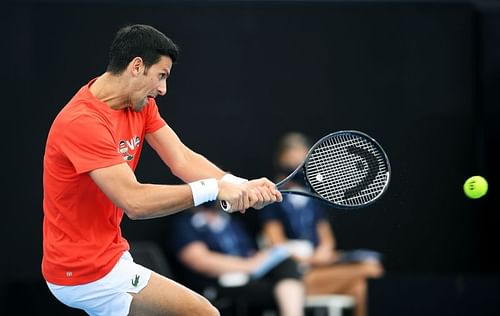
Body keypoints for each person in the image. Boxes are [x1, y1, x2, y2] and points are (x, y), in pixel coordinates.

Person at [42, 24, 282, 316]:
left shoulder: (141, 106)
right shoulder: (82, 122)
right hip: (82, 270)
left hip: (110, 255)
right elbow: (135, 202)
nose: (163, 89)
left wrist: (240, 184)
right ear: (137, 66)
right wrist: (214, 189)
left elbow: (181, 158)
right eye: (161, 76)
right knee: (203, 313)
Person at [259, 132, 384, 316]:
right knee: (369, 271)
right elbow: (276, 244)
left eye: (301, 161)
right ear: (281, 161)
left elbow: (327, 241)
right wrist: (311, 259)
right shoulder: (272, 201)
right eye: (292, 161)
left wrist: (324, 255)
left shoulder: (313, 201)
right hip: (298, 275)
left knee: (360, 288)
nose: (297, 167)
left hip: (321, 267)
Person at [169, 201, 305, 316]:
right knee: (282, 289)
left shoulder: (230, 222)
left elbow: (249, 252)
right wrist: (249, 265)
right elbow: (200, 261)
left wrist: (264, 258)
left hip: (248, 279)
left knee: (287, 267)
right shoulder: (186, 224)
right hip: (216, 286)